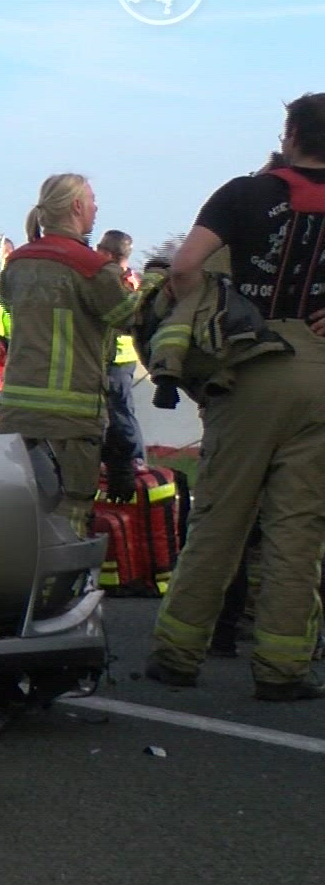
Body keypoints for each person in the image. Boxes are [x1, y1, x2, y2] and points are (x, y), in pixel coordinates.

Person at [148, 93, 325, 701]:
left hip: (251, 365)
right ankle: (283, 671)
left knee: (221, 518)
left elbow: (185, 267)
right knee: (300, 530)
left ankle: (177, 656)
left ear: (291, 131)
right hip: (321, 376)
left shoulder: (245, 193)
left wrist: (215, 318)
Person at [0, 174, 138, 537]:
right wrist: (154, 286)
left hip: (17, 412)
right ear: (76, 207)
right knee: (69, 515)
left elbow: (10, 304)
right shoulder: (91, 268)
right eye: (91, 200)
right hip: (70, 418)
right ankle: (61, 589)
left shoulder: (18, 263)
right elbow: (129, 317)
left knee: (23, 511)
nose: (96, 208)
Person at [95, 230, 146, 473]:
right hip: (123, 354)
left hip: (117, 355)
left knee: (121, 412)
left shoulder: (117, 281)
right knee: (119, 410)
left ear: (107, 253)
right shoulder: (132, 279)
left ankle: (135, 460)